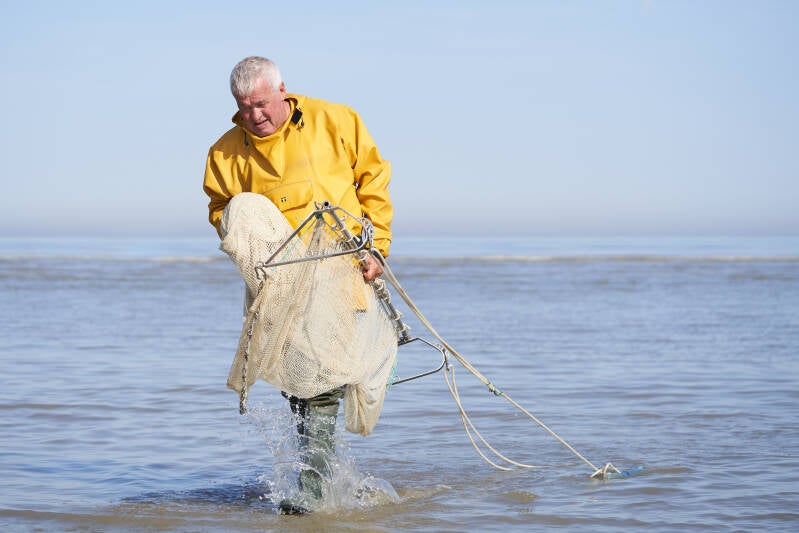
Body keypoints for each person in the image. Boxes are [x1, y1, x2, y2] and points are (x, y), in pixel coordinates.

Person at [202, 56, 393, 514]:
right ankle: (331, 480)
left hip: (340, 272)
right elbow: (222, 212)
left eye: (262, 104)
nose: (255, 115)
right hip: (277, 287)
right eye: (244, 107)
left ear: (282, 90)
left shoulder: (336, 120)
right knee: (299, 386)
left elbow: (373, 180)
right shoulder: (224, 153)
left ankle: (311, 490)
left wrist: (378, 248)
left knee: (321, 384)